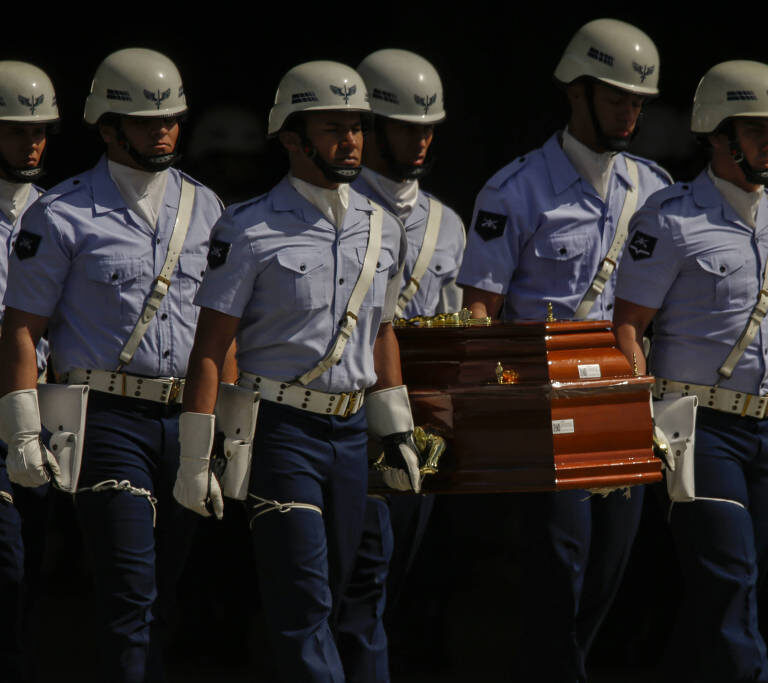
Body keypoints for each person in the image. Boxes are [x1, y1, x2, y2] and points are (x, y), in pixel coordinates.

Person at [173, 60, 418, 682]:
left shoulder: (383, 228)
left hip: (355, 432)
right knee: (302, 603)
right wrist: (199, 455)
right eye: (334, 127)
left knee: (353, 596)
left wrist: (397, 431)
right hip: (280, 431)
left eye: (358, 127)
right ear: (290, 137)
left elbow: (382, 333)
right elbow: (210, 348)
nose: (352, 140)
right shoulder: (247, 227)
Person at [456, 18, 671, 682]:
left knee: (608, 569)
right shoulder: (515, 189)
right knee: (559, 564)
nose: (630, 113)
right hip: (544, 395)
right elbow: (478, 312)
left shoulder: (658, 189)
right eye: (616, 98)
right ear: (575, 92)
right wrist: (497, 411)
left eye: (638, 101)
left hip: (625, 400)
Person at [0, 48, 224, 683]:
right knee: (130, 587)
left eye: (172, 119)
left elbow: (220, 330)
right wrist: (21, 428)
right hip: (103, 420)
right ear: (106, 127)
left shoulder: (208, 209)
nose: (163, 130)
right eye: (147, 121)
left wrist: (230, 427)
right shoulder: (61, 211)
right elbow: (22, 328)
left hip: (186, 415)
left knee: (169, 588)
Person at [614, 60, 768, 683]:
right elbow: (627, 328)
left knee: (736, 593)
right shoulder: (670, 218)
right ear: (717, 133)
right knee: (729, 579)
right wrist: (639, 418)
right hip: (697, 430)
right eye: (756, 129)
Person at [337, 48, 465, 681]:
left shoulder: (450, 225)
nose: (420, 140)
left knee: (409, 574)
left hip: (422, 426)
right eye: (406, 127)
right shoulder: (334, 207)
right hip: (343, 413)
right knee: (352, 578)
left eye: (429, 127)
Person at [0, 59, 58, 683]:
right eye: (16, 130)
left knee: (31, 560)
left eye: (40, 130)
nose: (32, 142)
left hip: (41, 409)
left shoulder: (62, 212)